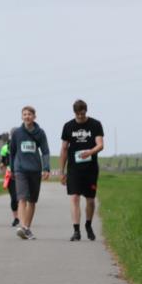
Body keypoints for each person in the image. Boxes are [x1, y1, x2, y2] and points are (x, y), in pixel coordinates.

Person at [59, 99, 105, 241]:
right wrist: (62, 171)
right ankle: (76, 230)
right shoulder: (68, 126)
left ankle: (88, 225)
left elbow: (100, 145)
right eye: (78, 114)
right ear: (74, 112)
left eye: (82, 113)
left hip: (90, 168)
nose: (80, 116)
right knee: (74, 197)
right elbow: (64, 149)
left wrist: (90, 152)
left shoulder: (95, 124)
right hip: (74, 168)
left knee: (90, 200)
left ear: (86, 111)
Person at [8, 106, 50, 240]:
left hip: (35, 170)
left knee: (32, 201)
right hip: (20, 169)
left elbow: (45, 151)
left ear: (34, 117)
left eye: (29, 114)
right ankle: (22, 227)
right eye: (25, 114)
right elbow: (12, 152)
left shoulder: (40, 133)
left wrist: (46, 168)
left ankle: (27, 228)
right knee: (22, 198)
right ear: (22, 117)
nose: (27, 116)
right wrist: (12, 169)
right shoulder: (17, 133)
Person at [0, 141, 20, 226]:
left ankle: (22, 216)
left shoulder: (21, 144)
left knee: (22, 198)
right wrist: (2, 165)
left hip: (22, 173)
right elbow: (3, 161)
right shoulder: (5, 148)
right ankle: (16, 218)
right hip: (10, 174)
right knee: (14, 197)